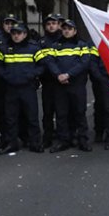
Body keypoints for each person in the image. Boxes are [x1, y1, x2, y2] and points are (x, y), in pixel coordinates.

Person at [37, 19, 92, 153]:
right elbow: (50, 61)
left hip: (76, 85)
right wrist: (58, 75)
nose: (67, 31)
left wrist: (68, 74)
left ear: (74, 31)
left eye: (70, 28)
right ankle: (64, 140)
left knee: (79, 113)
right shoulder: (56, 46)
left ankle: (82, 139)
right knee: (62, 114)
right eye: (65, 28)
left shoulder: (82, 45)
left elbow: (84, 63)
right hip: (60, 85)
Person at [0, 22, 45, 154]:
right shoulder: (4, 48)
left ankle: (35, 143)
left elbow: (42, 65)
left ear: (25, 34)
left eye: (19, 33)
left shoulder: (33, 48)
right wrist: (6, 76)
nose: (16, 36)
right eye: (13, 33)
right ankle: (12, 143)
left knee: (31, 116)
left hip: (27, 87)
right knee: (10, 117)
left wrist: (31, 75)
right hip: (10, 88)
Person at [38, 13, 64, 147]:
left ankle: (61, 137)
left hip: (61, 82)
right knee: (47, 111)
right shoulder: (42, 42)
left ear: (58, 25)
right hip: (47, 82)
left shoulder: (64, 39)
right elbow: (39, 61)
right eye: (48, 24)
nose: (51, 26)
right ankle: (47, 137)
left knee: (61, 111)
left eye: (53, 23)